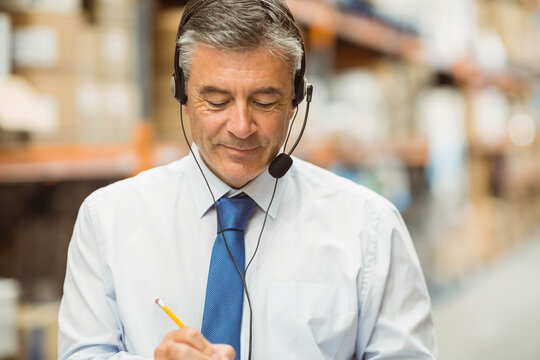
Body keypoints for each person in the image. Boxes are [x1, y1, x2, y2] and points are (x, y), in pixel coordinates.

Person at [58, 0, 438, 359]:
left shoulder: (369, 229)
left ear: (295, 101)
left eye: (264, 101)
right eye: (217, 100)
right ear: (182, 94)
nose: (241, 127)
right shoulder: (107, 219)